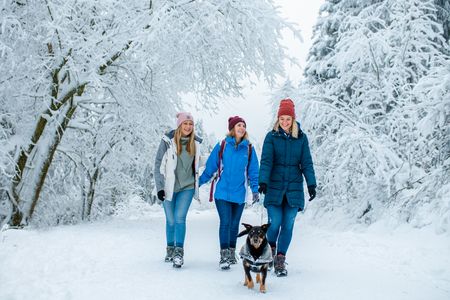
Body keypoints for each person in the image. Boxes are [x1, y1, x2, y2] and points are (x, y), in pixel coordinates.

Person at [258, 99, 317, 277]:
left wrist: (311, 183)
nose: (285, 122)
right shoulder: (271, 136)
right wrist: (263, 181)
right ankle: (271, 249)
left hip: (294, 188)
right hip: (274, 187)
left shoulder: (301, 138)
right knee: (275, 222)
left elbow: (306, 162)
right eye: (282, 119)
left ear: (293, 119)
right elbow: (266, 161)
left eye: (288, 119)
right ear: (278, 119)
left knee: (288, 224)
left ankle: (280, 259)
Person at [199, 116, 259, 270]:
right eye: (238, 125)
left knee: (234, 225)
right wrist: (197, 183)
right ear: (232, 128)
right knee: (225, 222)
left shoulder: (249, 149)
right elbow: (211, 167)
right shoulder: (222, 145)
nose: (241, 128)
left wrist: (255, 189)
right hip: (223, 192)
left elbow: (253, 172)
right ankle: (224, 255)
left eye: (243, 126)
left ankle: (232, 252)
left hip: (239, 193)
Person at [154, 112, 202, 268]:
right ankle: (170, 248)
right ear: (179, 125)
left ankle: (179, 253)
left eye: (191, 124)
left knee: (180, 218)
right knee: (171, 220)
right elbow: (158, 165)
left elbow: (201, 161)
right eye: (185, 124)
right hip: (168, 187)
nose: (188, 127)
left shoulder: (196, 143)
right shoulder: (167, 141)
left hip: (186, 187)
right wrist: (160, 187)